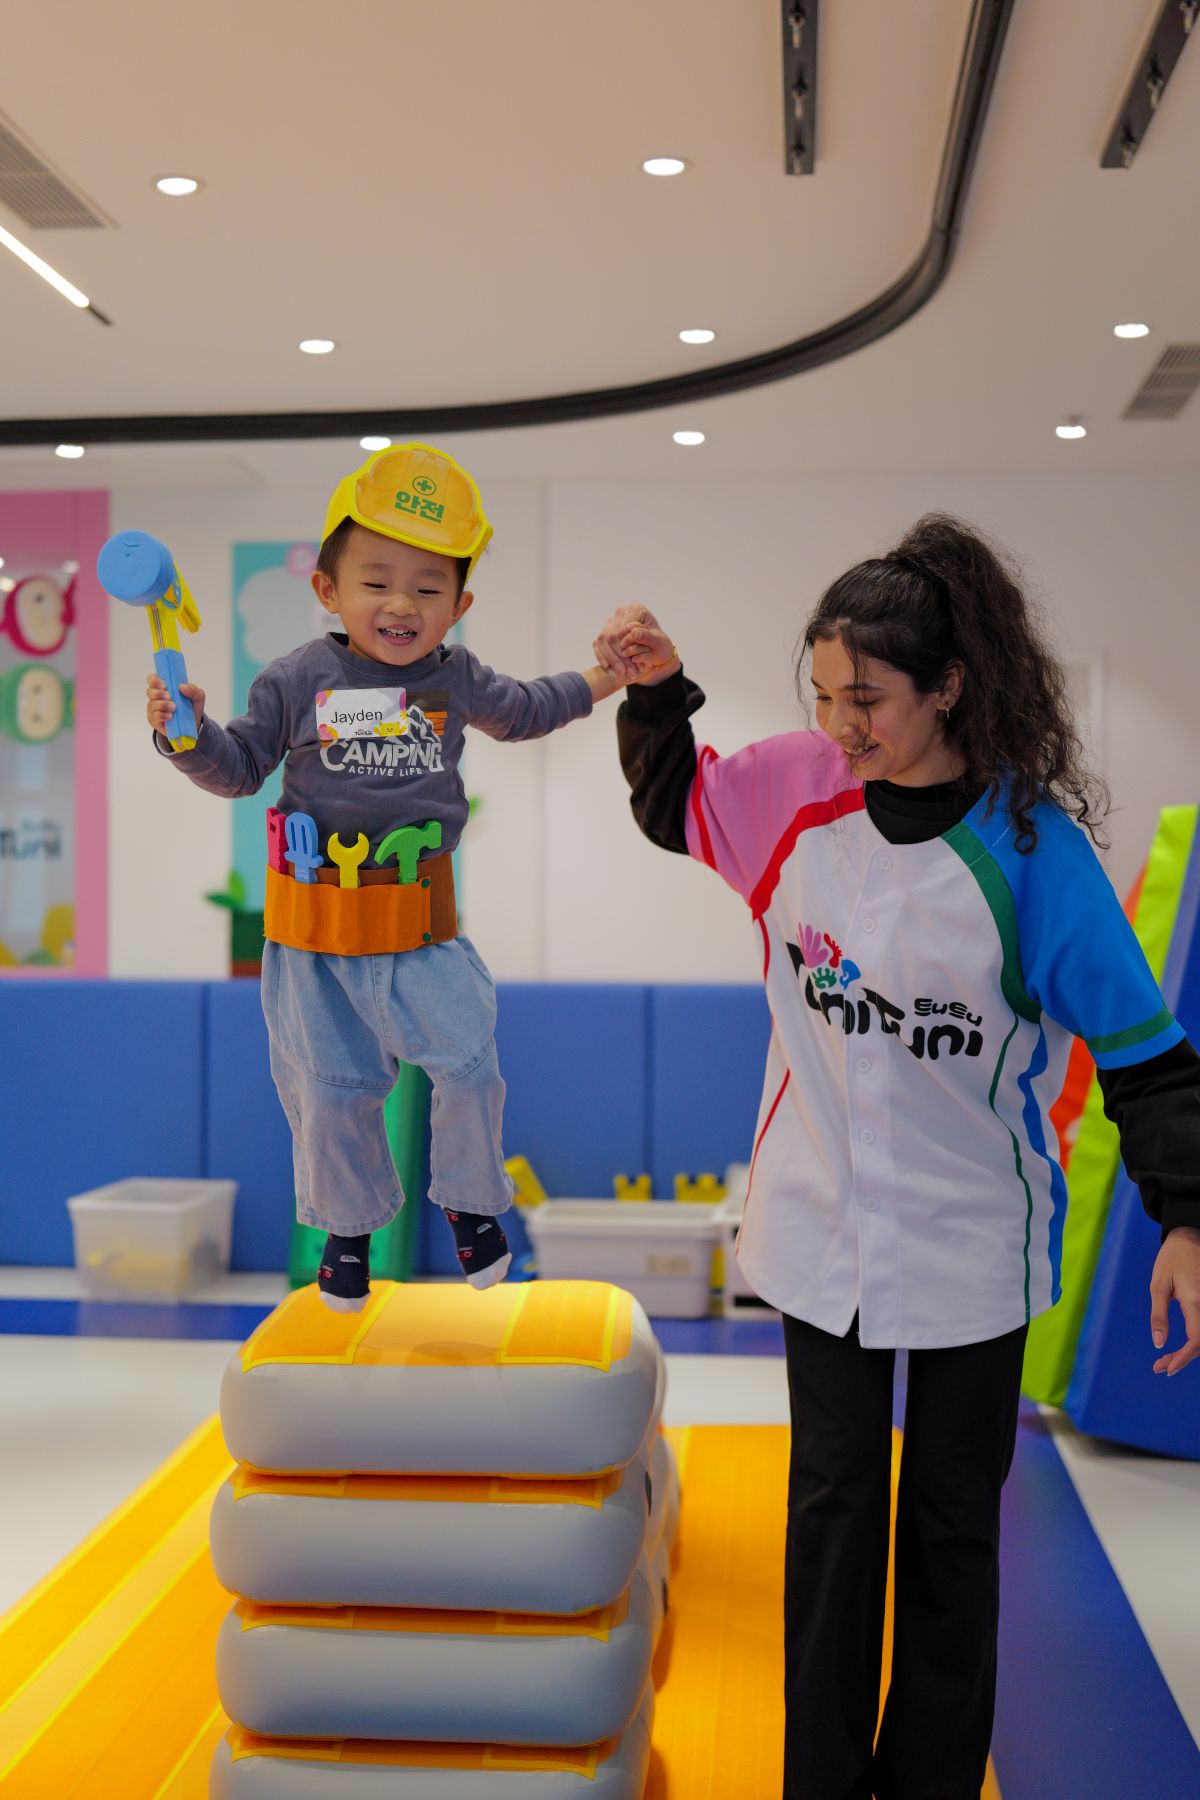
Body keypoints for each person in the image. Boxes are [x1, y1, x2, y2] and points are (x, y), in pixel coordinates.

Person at [594, 513, 1200, 1800]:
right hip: (818, 1228)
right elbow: (675, 804)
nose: (840, 724)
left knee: (951, 1535)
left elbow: (1148, 1058)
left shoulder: (1034, 858)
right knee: (832, 1523)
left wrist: (1188, 1222)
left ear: (951, 686)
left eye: (866, 699)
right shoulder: (796, 791)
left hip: (972, 1240)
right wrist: (656, 692)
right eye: (824, 695)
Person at [146, 443, 661, 1312]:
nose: (400, 604)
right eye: (376, 581)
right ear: (328, 589)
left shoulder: (454, 677)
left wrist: (610, 673)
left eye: (428, 589)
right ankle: (348, 1234)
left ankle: (469, 1204)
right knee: (332, 1094)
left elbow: (530, 709)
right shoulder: (296, 678)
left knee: (469, 1065)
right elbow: (237, 769)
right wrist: (185, 736)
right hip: (315, 934)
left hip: (420, 928)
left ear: (459, 606)